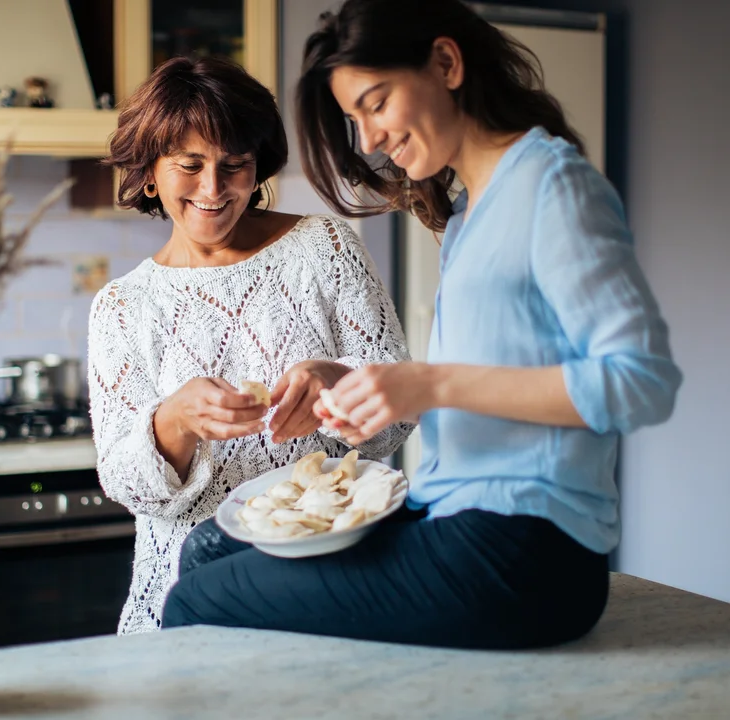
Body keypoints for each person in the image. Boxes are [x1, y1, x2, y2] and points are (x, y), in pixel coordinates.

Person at [163, 0, 683, 650]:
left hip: (530, 551)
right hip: (454, 517)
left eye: (376, 104)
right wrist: (353, 383)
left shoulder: (554, 188)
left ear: (446, 63)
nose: (370, 139)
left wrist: (429, 384)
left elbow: (640, 383)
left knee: (194, 600)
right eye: (356, 119)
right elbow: (483, 376)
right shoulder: (469, 217)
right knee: (209, 547)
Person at [88, 55, 413, 635]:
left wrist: (338, 384)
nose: (213, 189)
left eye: (234, 165)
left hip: (326, 583)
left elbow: (395, 427)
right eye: (189, 165)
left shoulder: (325, 249)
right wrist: (175, 420)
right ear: (149, 172)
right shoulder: (122, 307)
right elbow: (126, 484)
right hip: (184, 598)